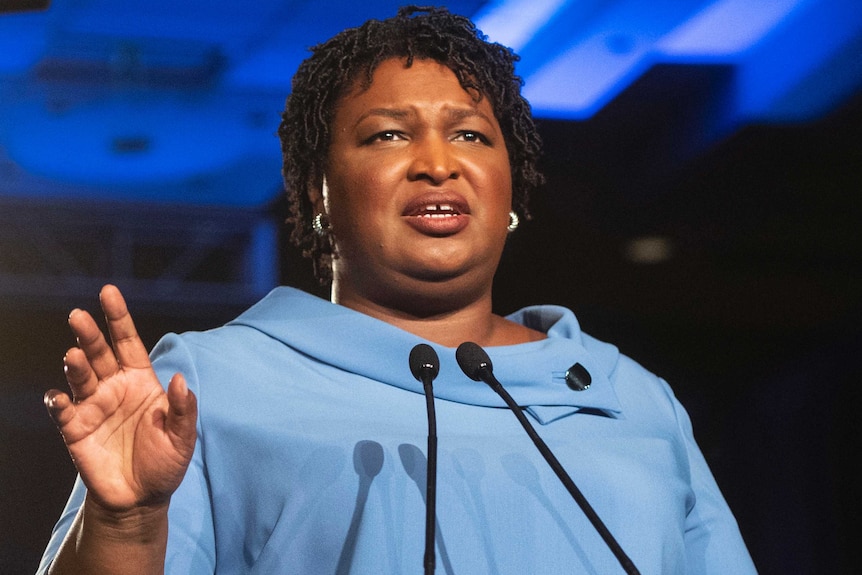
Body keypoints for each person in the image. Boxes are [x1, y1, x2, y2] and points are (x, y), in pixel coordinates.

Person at [37, 7, 757, 574]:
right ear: (318, 193)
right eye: (387, 136)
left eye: (472, 136)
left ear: (511, 188)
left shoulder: (632, 395)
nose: (437, 164)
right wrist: (125, 525)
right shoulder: (203, 388)